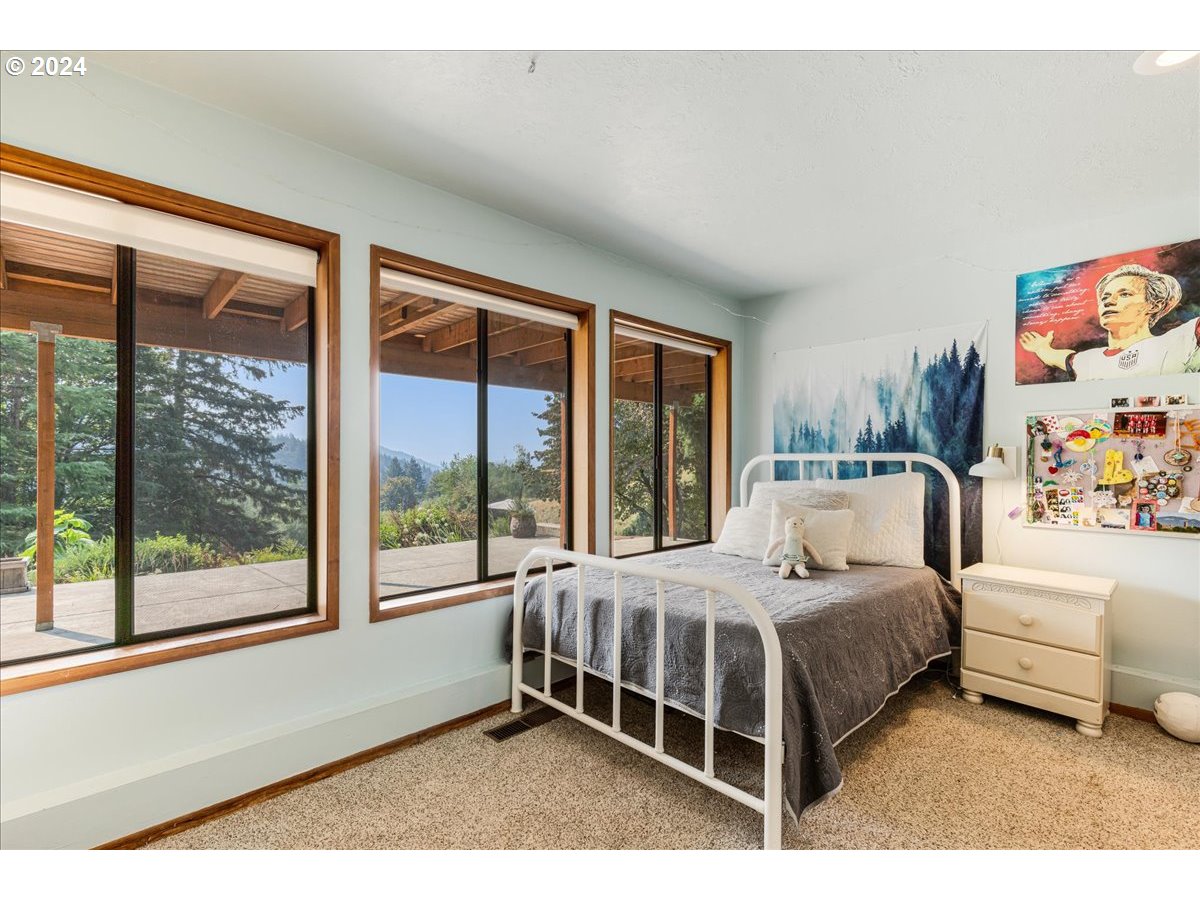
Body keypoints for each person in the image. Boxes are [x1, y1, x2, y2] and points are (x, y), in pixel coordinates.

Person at [1019, 263, 1200, 379]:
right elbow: (1058, 357)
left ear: (1154, 305)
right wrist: (1040, 348)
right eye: (1105, 297)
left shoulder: (1181, 340)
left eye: (1124, 294)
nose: (1108, 301)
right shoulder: (1088, 360)